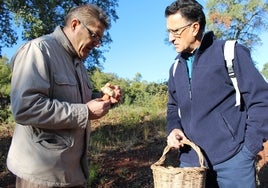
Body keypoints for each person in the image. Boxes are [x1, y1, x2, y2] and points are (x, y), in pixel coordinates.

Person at [7, 4, 121, 188]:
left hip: (72, 173)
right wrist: (85, 112)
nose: (97, 43)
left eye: (100, 39)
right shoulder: (38, 50)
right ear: (75, 24)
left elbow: (79, 100)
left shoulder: (78, 62)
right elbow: (25, 108)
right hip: (42, 177)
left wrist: (105, 98)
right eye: (94, 35)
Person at [164, 0, 268, 187]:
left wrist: (248, 149)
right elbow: (173, 107)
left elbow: (261, 100)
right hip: (191, 163)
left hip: (233, 161)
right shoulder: (174, 68)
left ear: (195, 27)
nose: (171, 38)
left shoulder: (229, 52)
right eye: (169, 32)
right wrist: (173, 129)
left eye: (175, 31)